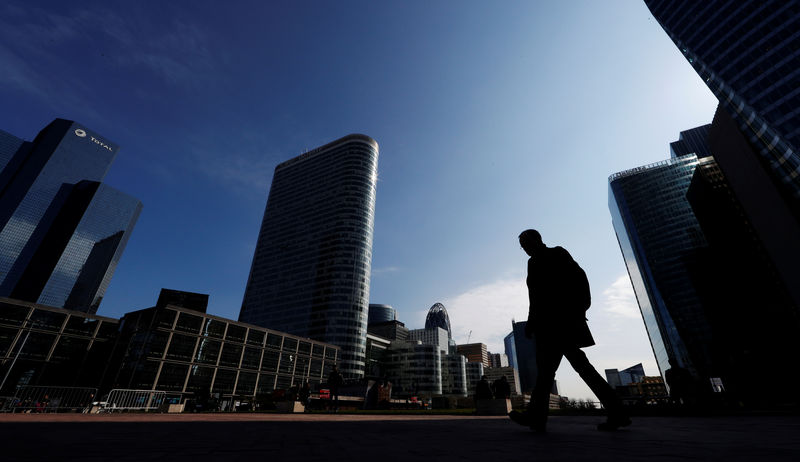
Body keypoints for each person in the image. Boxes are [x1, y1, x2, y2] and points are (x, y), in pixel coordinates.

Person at [509, 229, 630, 432]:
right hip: (546, 327)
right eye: (522, 246)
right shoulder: (531, 263)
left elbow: (580, 279)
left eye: (526, 243)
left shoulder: (557, 253)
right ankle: (617, 412)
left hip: (562, 324)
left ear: (537, 239)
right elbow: (535, 298)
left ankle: (536, 418)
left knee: (563, 371)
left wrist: (580, 308)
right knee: (557, 372)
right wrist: (531, 323)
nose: (524, 248)